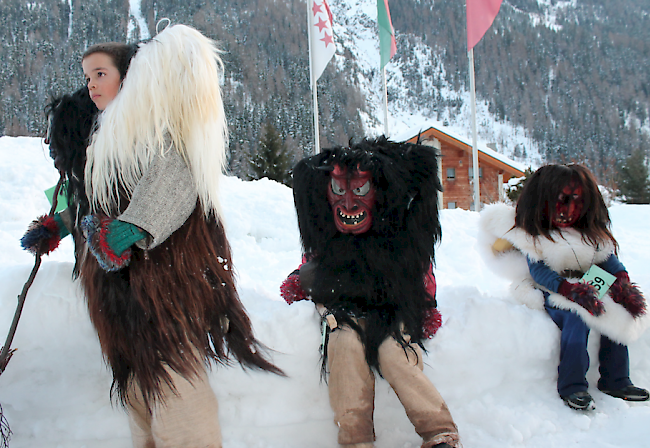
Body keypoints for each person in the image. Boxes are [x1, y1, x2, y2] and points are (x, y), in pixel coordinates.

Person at [22, 24, 282, 448]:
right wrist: (59, 223)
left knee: (175, 380)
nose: (91, 84)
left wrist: (128, 231)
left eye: (100, 74)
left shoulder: (153, 131)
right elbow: (96, 199)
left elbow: (173, 182)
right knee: (141, 385)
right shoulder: (105, 138)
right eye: (87, 77)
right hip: (121, 294)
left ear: (128, 75)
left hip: (164, 284)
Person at [280, 137, 460, 448]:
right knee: (344, 345)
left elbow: (418, 267)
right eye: (339, 190)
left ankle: (439, 431)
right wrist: (301, 276)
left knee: (394, 352)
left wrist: (427, 302)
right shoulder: (329, 232)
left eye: (360, 190)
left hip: (390, 305)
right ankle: (355, 440)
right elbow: (318, 257)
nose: (348, 204)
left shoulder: (397, 238)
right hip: (341, 303)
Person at [479, 164, 648, 411]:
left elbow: (609, 261)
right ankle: (573, 385)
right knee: (576, 318)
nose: (568, 209)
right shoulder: (533, 234)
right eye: (560, 200)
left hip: (587, 285)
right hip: (552, 290)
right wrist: (568, 290)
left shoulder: (590, 233)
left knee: (617, 313)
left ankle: (617, 379)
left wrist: (621, 282)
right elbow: (539, 271)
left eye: (576, 200)